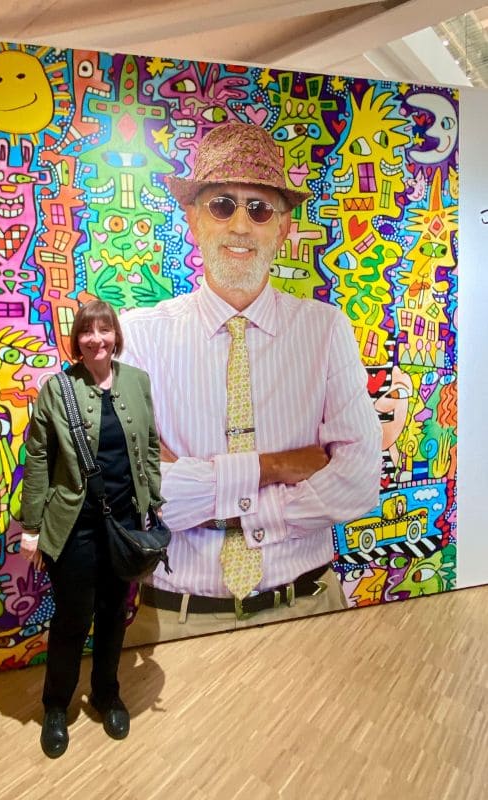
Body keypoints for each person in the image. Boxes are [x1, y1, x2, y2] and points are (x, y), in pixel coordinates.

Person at [121, 121, 382, 642]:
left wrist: (214, 494)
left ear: (283, 227)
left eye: (259, 208)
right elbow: (134, 495)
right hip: (175, 619)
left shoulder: (325, 330)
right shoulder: (138, 336)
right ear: (194, 219)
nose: (241, 225)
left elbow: (357, 482)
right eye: (222, 205)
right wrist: (278, 467)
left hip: (309, 608)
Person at [20, 299, 163, 758]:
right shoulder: (57, 390)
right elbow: (39, 457)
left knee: (114, 613)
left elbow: (153, 446)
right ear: (77, 340)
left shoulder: (138, 382)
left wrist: (153, 500)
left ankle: (106, 692)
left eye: (105, 330)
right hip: (73, 526)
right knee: (72, 619)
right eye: (87, 331)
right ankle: (57, 706)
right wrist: (31, 526)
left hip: (124, 522)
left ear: (115, 336)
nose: (97, 339)